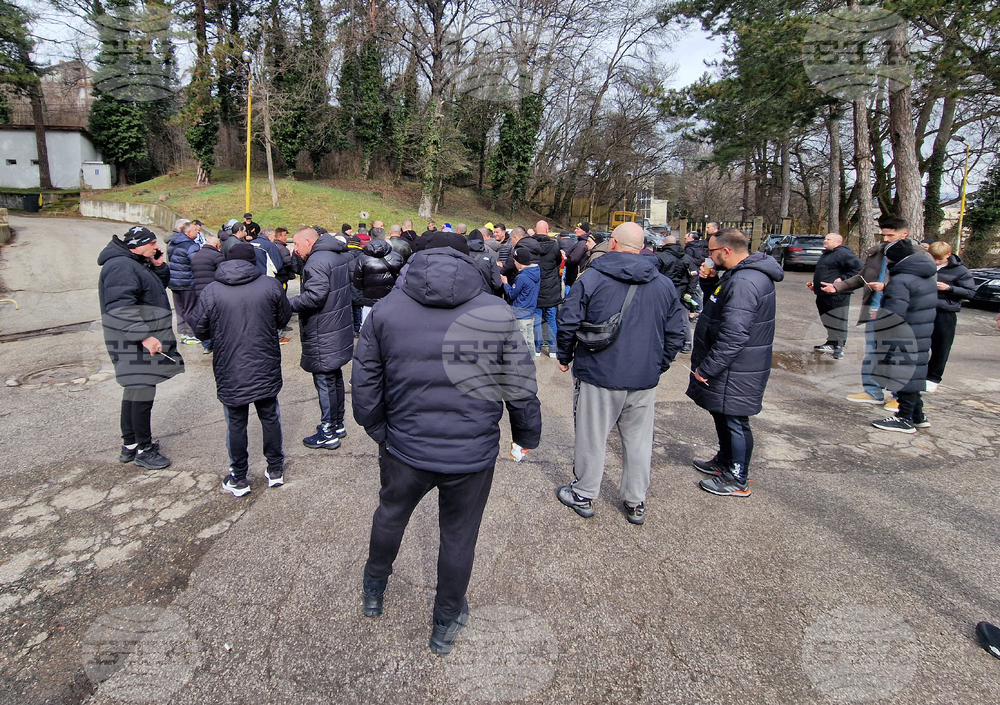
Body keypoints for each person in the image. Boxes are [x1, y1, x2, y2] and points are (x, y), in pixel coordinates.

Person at [352, 237, 541, 655]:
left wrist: (378, 428)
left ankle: (373, 590)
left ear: (415, 260)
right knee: (458, 537)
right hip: (468, 453)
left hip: (406, 446)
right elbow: (520, 386)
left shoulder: (386, 310)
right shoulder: (496, 312)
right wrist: (526, 434)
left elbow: (364, 383)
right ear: (470, 261)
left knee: (391, 514)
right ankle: (445, 620)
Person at [555, 223, 686, 524]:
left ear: (612, 243)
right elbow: (676, 333)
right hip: (642, 377)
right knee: (639, 441)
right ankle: (635, 500)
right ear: (641, 247)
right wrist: (658, 364)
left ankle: (584, 493)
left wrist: (565, 355)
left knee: (592, 436)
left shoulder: (592, 278)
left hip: (600, 373)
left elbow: (568, 321)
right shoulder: (664, 284)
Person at [190, 242, 292, 496]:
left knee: (236, 422)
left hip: (230, 365)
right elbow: (283, 317)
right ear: (253, 260)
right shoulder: (270, 285)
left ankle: (239, 476)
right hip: (264, 362)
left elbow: (198, 327)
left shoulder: (212, 291)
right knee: (269, 416)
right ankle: (275, 469)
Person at [688, 228, 783, 497]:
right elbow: (719, 305)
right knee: (722, 412)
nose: (708, 256)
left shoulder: (745, 282)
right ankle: (725, 461)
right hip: (734, 364)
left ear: (726, 251)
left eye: (711, 251)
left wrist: (709, 367)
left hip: (737, 367)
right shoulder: (737, 276)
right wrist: (709, 282)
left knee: (735, 419)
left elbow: (734, 332)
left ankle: (738, 477)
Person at [98, 225, 183, 471]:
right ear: (139, 244)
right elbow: (120, 307)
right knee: (142, 395)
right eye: (153, 244)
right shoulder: (121, 267)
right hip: (132, 344)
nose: (158, 248)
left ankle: (130, 445)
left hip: (132, 342)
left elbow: (155, 288)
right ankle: (144, 449)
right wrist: (144, 337)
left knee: (134, 393)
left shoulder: (134, 262)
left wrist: (158, 266)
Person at [821, 217, 916, 406]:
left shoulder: (917, 255)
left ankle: (899, 398)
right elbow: (863, 276)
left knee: (898, 354)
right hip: (874, 309)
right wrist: (839, 287)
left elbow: (919, 285)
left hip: (900, 312)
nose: (887, 239)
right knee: (873, 353)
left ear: (905, 234)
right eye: (884, 235)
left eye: (891, 235)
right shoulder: (878, 252)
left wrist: (887, 286)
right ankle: (873, 391)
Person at [288, 227, 355, 449]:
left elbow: (315, 296)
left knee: (326, 381)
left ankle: (328, 431)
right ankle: (337, 424)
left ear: (308, 241)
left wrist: (287, 304)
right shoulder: (335, 255)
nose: (296, 250)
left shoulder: (317, 261)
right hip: (335, 327)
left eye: (296, 245)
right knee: (333, 377)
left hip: (323, 330)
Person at [869, 238, 938, 433]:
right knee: (913, 373)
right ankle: (918, 415)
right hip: (921, 331)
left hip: (903, 334)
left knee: (903, 374)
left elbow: (894, 314)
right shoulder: (924, 275)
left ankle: (904, 418)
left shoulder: (900, 280)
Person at [925, 241, 975, 391]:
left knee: (941, 346)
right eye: (933, 258)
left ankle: (933, 377)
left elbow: (970, 292)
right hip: (924, 308)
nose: (935, 262)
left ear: (948, 255)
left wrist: (950, 288)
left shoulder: (960, 271)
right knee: (919, 344)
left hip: (945, 311)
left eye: (939, 259)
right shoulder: (925, 265)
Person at [807, 233, 863, 359]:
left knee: (838, 320)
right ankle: (831, 342)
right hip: (822, 293)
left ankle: (839, 346)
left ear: (838, 242)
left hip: (838, 294)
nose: (825, 241)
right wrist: (815, 284)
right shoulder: (827, 254)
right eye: (825, 238)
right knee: (827, 319)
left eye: (828, 239)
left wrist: (843, 280)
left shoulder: (843, 253)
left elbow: (860, 269)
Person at [655, 233, 700, 354]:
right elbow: (694, 276)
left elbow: (654, 275)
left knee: (663, 317)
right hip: (682, 292)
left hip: (664, 291)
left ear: (664, 244)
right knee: (683, 318)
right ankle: (687, 342)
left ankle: (665, 342)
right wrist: (689, 292)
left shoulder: (660, 257)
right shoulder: (686, 258)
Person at [353, 234, 404, 325]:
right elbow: (402, 279)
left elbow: (357, 283)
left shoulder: (362, 258)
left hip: (370, 300)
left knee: (368, 330)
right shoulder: (397, 257)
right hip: (391, 299)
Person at [166, 220, 201, 345]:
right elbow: (196, 262)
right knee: (190, 309)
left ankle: (184, 333)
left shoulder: (172, 243)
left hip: (174, 282)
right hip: (187, 282)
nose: (198, 231)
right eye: (195, 230)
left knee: (180, 309)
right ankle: (191, 334)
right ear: (188, 232)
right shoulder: (190, 246)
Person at [531, 221, 562, 356]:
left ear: (535, 230)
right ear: (548, 230)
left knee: (537, 319)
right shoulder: (555, 246)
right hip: (551, 288)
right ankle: (553, 348)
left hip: (536, 287)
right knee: (551, 318)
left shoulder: (531, 245)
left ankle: (537, 348)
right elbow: (558, 262)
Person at [190, 235, 225, 353]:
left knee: (203, 317)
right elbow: (223, 273)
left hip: (199, 291)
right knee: (216, 319)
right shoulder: (217, 256)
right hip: (213, 292)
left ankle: (206, 344)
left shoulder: (196, 256)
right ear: (216, 245)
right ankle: (216, 343)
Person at [503, 247, 540, 352]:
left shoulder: (522, 277)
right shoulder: (536, 272)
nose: (514, 263)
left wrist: (505, 283)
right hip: (530, 312)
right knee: (529, 341)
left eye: (515, 261)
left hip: (520, 314)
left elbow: (511, 294)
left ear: (519, 261)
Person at [466, 227, 502, 295]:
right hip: (485, 295)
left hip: (467, 296)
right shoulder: (490, 258)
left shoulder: (462, 256)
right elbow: (497, 283)